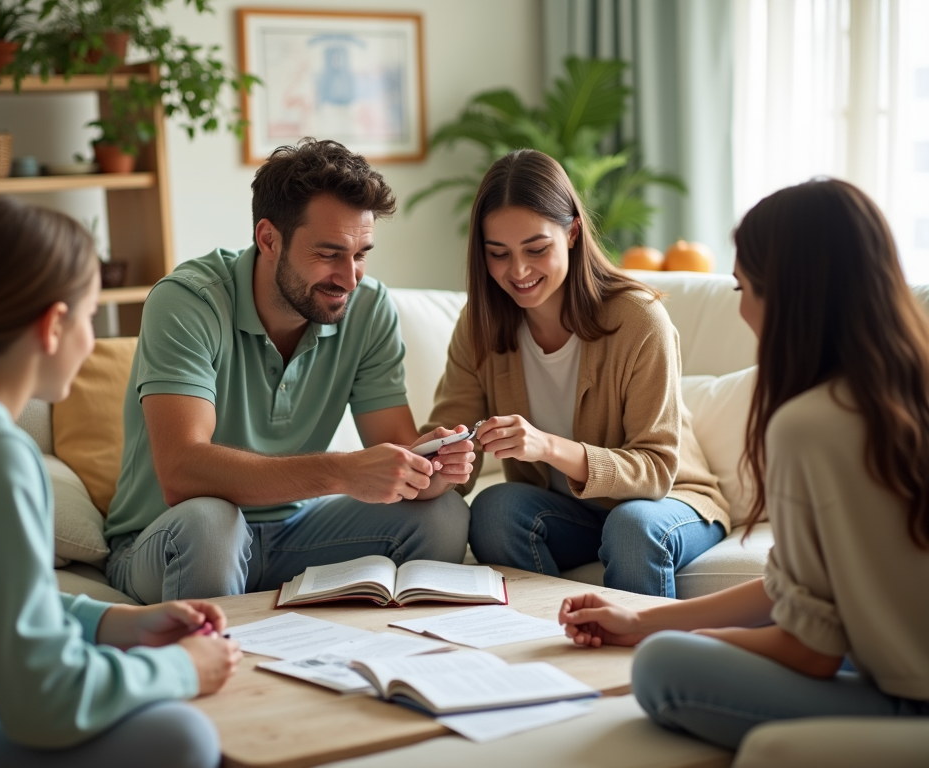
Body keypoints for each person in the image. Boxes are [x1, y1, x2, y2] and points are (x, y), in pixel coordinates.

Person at [557, 178, 929, 749]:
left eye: (743, 287)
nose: (744, 309)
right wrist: (640, 621)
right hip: (894, 671)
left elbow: (811, 651)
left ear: (787, 295)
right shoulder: (906, 388)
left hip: (908, 703)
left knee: (662, 667)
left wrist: (679, 639)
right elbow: (789, 589)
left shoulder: (810, 424)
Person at [0, 197, 242, 767]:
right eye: (89, 317)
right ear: (53, 325)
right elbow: (48, 701)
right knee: (183, 737)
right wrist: (184, 668)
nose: (92, 341)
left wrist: (114, 622)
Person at [104, 138, 473, 604]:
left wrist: (431, 468)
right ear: (269, 239)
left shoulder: (369, 307)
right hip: (172, 538)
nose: (349, 277)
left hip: (296, 533)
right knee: (212, 523)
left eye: (360, 254)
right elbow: (181, 471)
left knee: (443, 515)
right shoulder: (187, 301)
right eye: (328, 254)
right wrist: (340, 472)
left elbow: (397, 453)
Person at [423, 149, 728, 597]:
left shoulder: (639, 319)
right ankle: (540, 640)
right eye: (498, 254)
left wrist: (547, 446)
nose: (519, 271)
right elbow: (451, 439)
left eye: (536, 248)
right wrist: (436, 457)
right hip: (571, 511)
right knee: (494, 509)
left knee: (629, 526)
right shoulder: (478, 326)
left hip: (667, 501)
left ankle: (629, 661)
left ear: (572, 232)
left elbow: (657, 469)